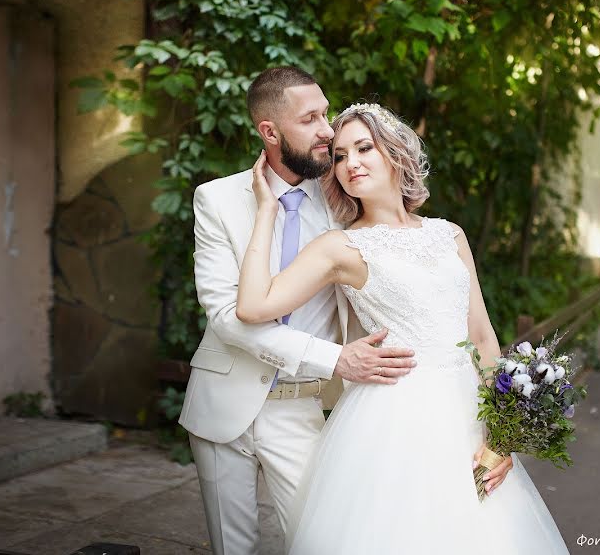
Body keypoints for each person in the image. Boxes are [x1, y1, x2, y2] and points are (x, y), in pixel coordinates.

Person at [236, 102, 570, 554]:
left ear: (395, 152)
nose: (350, 163)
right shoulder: (341, 246)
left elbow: (483, 336)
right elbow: (254, 306)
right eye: (338, 156)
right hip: (393, 421)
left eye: (363, 148)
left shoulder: (449, 234)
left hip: (468, 417)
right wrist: (267, 210)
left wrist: (503, 435)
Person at [178, 67, 417, 555]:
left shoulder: (345, 204)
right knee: (232, 548)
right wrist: (336, 358)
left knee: (321, 542)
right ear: (270, 132)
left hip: (303, 405)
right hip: (222, 399)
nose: (328, 130)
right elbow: (227, 316)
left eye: (326, 113)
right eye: (311, 118)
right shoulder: (217, 199)